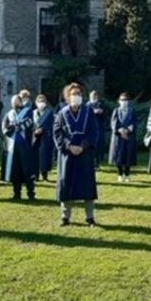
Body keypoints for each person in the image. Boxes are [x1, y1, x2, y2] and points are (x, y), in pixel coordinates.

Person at [54, 82, 99, 227]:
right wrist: (68, 145)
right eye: (73, 94)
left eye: (78, 94)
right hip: (68, 155)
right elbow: (57, 132)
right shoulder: (62, 113)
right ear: (67, 96)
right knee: (66, 184)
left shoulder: (89, 112)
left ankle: (90, 217)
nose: (76, 96)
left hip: (84, 154)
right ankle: (65, 216)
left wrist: (83, 146)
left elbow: (94, 132)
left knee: (87, 185)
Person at [1, 94, 36, 200]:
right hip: (13, 147)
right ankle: (17, 193)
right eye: (14, 101)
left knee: (27, 170)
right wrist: (12, 129)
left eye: (17, 101)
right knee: (15, 171)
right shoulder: (9, 114)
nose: (16, 103)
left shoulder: (28, 112)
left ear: (21, 102)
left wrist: (16, 126)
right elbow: (5, 128)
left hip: (25, 146)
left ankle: (31, 193)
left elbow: (29, 123)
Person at [109, 92, 137, 182]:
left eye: (126, 100)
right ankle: (120, 174)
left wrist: (128, 130)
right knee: (119, 156)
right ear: (119, 101)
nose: (124, 102)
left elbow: (135, 122)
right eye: (122, 100)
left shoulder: (132, 111)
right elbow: (113, 123)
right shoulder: (116, 110)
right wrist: (120, 130)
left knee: (128, 155)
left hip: (129, 136)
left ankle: (127, 174)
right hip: (118, 137)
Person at [33, 94, 55, 182]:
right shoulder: (33, 113)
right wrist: (34, 131)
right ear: (36, 103)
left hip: (45, 138)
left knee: (44, 157)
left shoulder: (49, 113)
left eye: (43, 101)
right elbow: (31, 124)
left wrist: (44, 129)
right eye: (39, 101)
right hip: (35, 137)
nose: (41, 103)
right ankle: (35, 175)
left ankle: (44, 175)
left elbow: (52, 125)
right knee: (35, 157)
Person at [86, 90, 107, 170]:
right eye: (93, 96)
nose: (94, 97)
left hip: (99, 128)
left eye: (95, 96)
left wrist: (102, 112)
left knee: (99, 147)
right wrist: (93, 112)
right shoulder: (87, 105)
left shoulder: (101, 105)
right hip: (89, 129)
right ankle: (91, 163)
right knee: (90, 146)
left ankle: (98, 163)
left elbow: (106, 116)